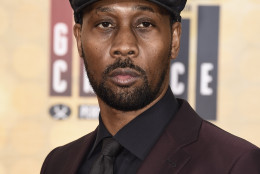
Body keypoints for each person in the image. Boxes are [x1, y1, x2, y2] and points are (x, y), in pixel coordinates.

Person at [41, 0, 260, 173]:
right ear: (79, 39)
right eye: (105, 24)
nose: (124, 46)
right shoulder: (58, 164)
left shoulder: (234, 164)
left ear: (174, 39)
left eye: (145, 24)